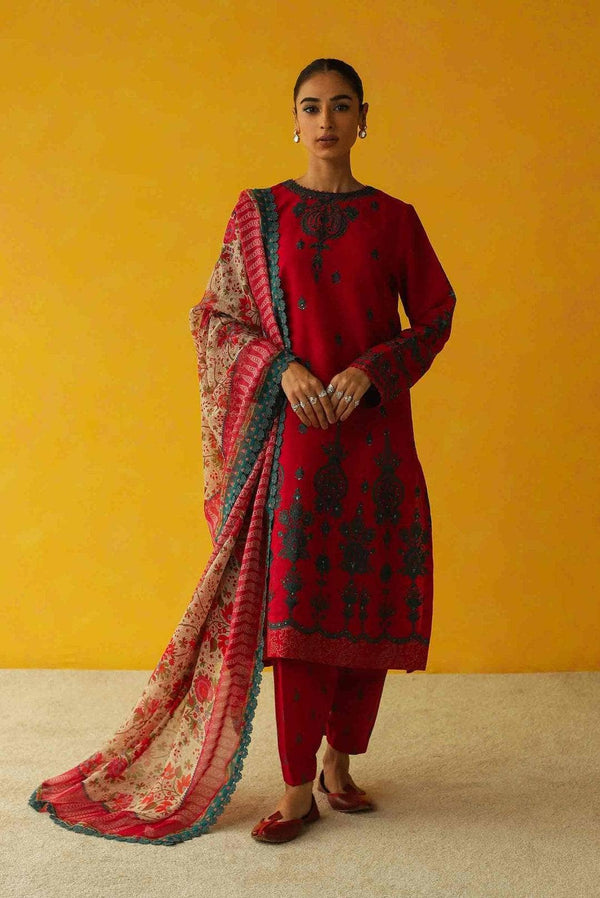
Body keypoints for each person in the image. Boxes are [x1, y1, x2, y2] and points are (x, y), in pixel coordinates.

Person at [27, 57, 456, 847]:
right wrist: (280, 366)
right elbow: (215, 318)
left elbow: (434, 315)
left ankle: (338, 764)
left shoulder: (396, 220)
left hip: (375, 440)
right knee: (296, 611)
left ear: (365, 118)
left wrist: (371, 371)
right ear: (293, 121)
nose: (326, 120)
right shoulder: (261, 214)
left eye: (341, 106)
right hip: (297, 440)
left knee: (365, 602)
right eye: (311, 107)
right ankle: (296, 790)